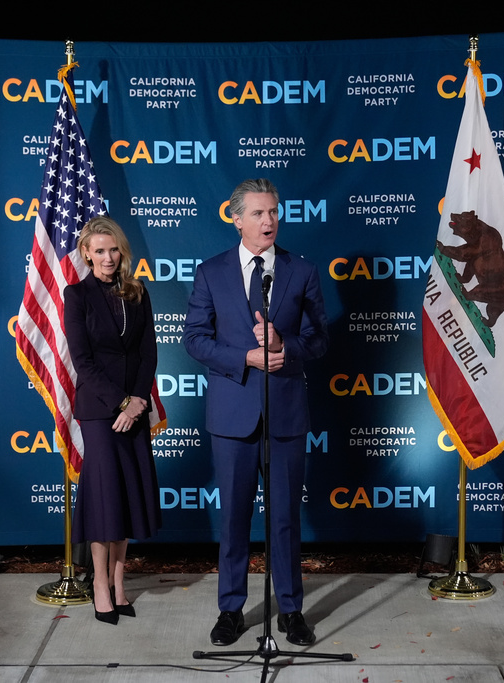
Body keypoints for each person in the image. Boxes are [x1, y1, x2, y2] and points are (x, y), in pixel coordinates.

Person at [183, 179, 328, 647]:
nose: (269, 221)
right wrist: (244, 358)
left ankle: (290, 610)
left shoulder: (300, 271)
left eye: (274, 212)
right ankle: (230, 610)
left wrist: (286, 345)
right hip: (232, 417)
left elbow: (320, 340)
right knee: (234, 520)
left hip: (285, 415)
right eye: (259, 213)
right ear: (236, 217)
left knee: (285, 518)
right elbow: (194, 339)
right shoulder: (211, 272)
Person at [63, 216, 160, 625]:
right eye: (99, 251)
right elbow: (82, 362)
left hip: (133, 408)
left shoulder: (138, 293)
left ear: (122, 252)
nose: (107, 257)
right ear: (86, 253)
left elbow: (147, 353)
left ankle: (120, 583)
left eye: (113, 249)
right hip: (101, 411)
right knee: (105, 500)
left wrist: (137, 401)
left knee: (126, 496)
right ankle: (99, 583)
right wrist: (120, 402)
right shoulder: (76, 295)